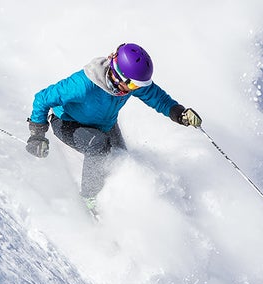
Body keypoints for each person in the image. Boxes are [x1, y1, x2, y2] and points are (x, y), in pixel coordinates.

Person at [26, 43, 202, 213]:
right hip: (67, 123)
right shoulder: (83, 84)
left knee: (120, 158)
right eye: (133, 85)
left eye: (139, 86)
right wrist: (37, 134)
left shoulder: (127, 85)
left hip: (104, 125)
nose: (135, 89)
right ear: (117, 75)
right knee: (98, 145)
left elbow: (157, 98)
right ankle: (89, 198)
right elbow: (42, 98)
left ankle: (116, 197)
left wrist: (179, 113)